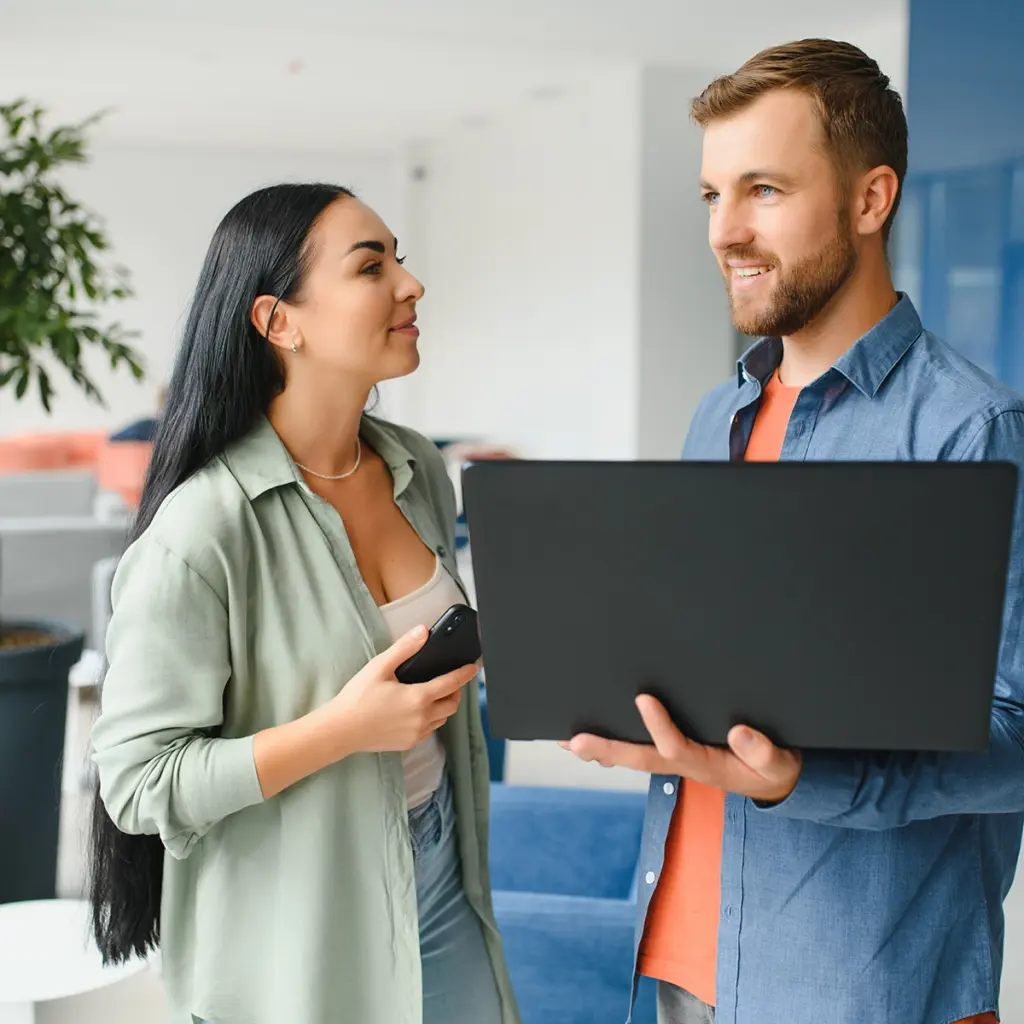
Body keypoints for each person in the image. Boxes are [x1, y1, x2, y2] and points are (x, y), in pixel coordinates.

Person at [563, 38, 1024, 1024]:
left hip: (858, 989)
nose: (724, 230)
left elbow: (1016, 728)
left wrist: (807, 778)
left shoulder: (970, 427)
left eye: (762, 189)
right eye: (710, 195)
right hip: (682, 965)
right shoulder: (715, 415)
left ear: (870, 201)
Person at [88, 183, 521, 1024]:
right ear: (278, 321)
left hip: (441, 866)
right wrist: (341, 732)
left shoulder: (417, 468)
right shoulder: (202, 531)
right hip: (295, 923)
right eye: (372, 266)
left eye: (400, 256)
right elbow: (137, 782)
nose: (411, 283)